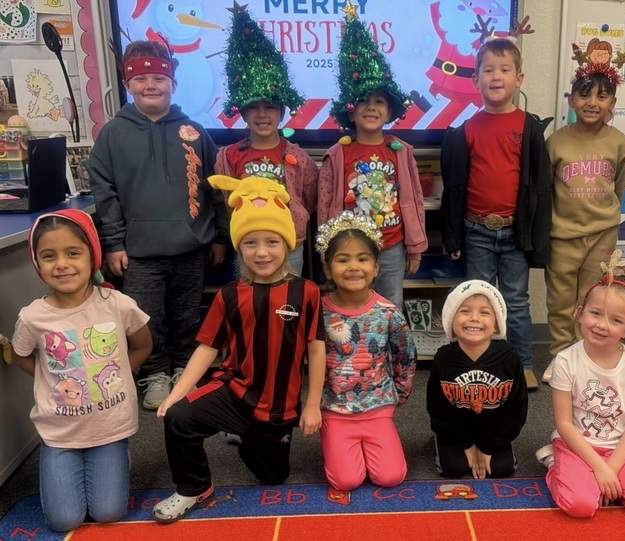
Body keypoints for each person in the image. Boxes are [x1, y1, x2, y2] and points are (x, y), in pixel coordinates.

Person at [152, 175, 325, 523]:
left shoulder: (307, 292)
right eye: (250, 243)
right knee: (178, 418)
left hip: (278, 408)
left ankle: (244, 435)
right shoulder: (228, 295)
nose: (262, 252)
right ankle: (193, 487)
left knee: (274, 477)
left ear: (288, 244)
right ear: (239, 247)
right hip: (234, 391)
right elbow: (206, 349)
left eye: (272, 242)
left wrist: (311, 406)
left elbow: (316, 350)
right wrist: (176, 394)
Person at [88, 39, 230, 411]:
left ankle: (186, 369)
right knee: (145, 318)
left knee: (186, 315)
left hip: (191, 245)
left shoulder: (195, 132)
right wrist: (114, 243)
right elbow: (105, 194)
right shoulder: (112, 134)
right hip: (138, 251)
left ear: (172, 84)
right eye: (141, 79)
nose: (150, 85)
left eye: (158, 78)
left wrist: (218, 236)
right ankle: (154, 373)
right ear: (128, 84)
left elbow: (215, 187)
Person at [10, 210, 152, 532]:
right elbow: (20, 356)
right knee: (64, 521)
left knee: (108, 513)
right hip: (60, 434)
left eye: (73, 253)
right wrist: (51, 381)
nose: (61, 264)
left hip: (109, 427)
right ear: (37, 263)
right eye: (49, 256)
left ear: (93, 256)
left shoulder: (118, 304)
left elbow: (143, 346)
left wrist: (120, 378)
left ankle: (115, 460)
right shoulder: (33, 317)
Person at [440, 36, 552, 390]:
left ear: (519, 78)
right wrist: (454, 236)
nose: (496, 76)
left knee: (516, 301)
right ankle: (481, 362)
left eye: (505, 69)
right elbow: (455, 189)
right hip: (476, 231)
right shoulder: (465, 131)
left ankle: (522, 364)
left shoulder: (529, 128)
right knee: (479, 300)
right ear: (475, 80)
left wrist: (537, 238)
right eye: (488, 70)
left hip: (514, 232)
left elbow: (540, 188)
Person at [539, 251, 625, 520]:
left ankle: (614, 474)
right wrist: (597, 468)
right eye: (595, 313)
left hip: (620, 448)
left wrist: (609, 467)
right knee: (580, 506)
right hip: (576, 446)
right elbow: (564, 423)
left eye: (615, 320)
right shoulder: (566, 361)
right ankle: (556, 463)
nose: (602, 325)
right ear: (580, 314)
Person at [318, 8, 427, 309]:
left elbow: (414, 199)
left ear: (390, 111)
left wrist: (415, 248)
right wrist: (327, 252)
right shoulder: (337, 153)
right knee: (349, 304)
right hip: (349, 246)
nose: (371, 107)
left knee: (390, 305)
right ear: (350, 109)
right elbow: (326, 206)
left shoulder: (401, 151)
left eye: (379, 101)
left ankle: (389, 356)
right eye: (363, 101)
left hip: (392, 245)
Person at [543, 51, 625, 382]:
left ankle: (586, 358)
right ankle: (559, 358)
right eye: (584, 93)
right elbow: (547, 190)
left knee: (593, 300)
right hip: (562, 236)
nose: (592, 102)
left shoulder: (618, 142)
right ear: (572, 98)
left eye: (601, 95)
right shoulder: (556, 142)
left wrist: (606, 220)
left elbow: (618, 189)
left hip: (603, 235)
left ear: (612, 102)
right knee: (562, 302)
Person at [315, 211, 416, 491]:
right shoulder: (317, 311)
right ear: (327, 269)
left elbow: (405, 354)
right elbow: (287, 321)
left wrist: (400, 392)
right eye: (342, 259)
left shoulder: (388, 313)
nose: (353, 267)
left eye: (362, 259)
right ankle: (336, 441)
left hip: (378, 407)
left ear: (375, 267)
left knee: (390, 477)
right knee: (346, 481)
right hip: (335, 408)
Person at [214, 4, 317, 275]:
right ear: (243, 112)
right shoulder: (228, 156)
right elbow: (226, 201)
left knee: (288, 306)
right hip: (247, 247)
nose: (262, 114)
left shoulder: (299, 157)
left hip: (290, 244)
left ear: (281, 112)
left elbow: (309, 198)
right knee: (250, 305)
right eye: (253, 107)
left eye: (270, 107)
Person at [426, 280, 528, 479]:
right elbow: (437, 409)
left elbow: (516, 409)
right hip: (455, 431)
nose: (474, 318)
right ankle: (442, 443)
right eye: (464, 311)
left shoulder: (509, 358)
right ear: (450, 319)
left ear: (497, 322)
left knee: (502, 469)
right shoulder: (443, 358)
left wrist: (489, 446)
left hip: (494, 432)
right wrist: (465, 444)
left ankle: (493, 446)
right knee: (454, 469)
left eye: (484, 312)